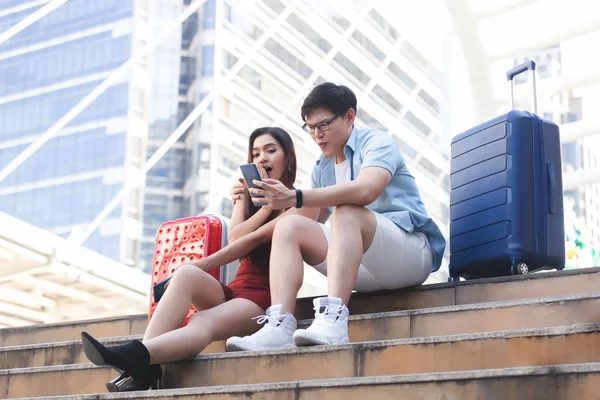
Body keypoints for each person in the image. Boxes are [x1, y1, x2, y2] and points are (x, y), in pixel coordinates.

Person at [80, 127, 311, 392]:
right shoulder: (248, 202)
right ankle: (144, 366)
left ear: (288, 159)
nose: (262, 159)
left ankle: (137, 355)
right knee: (186, 274)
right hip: (234, 291)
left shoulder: (299, 203)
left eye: (271, 151)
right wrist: (250, 204)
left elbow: (251, 240)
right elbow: (235, 238)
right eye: (256, 153)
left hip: (263, 301)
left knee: (199, 320)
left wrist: (272, 206)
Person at [226, 83, 446, 351]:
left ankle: (334, 321)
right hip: (363, 271)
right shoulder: (323, 167)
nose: (317, 135)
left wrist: (294, 197)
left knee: (346, 210)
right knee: (291, 226)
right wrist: (269, 207)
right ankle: (280, 326)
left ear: (350, 117)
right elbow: (303, 226)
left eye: (324, 125)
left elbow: (366, 190)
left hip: (409, 256)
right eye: (311, 128)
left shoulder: (376, 143)